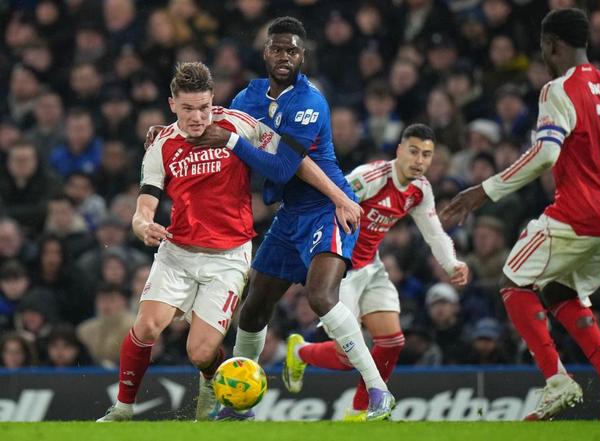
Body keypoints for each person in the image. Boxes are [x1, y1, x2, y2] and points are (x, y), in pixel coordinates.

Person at [97, 61, 360, 422]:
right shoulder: (161, 144)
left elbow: (293, 159)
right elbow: (145, 205)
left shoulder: (238, 125)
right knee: (146, 326)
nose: (197, 117)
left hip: (227, 257)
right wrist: (143, 225)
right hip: (177, 253)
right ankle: (123, 408)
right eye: (188, 108)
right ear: (172, 104)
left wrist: (339, 197)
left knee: (201, 353)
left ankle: (210, 379)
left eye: (203, 107)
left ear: (213, 100)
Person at [441, 8, 600, 421]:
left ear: (552, 45)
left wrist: (484, 190)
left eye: (542, 46)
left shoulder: (557, 89)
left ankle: (558, 381)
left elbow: (546, 153)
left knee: (513, 281)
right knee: (557, 291)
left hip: (578, 214)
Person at [187, 17, 395, 421]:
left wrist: (231, 140)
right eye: (278, 49)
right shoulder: (248, 96)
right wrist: (166, 134)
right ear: (266, 52)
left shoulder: (309, 102)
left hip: (327, 209)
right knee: (253, 309)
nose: (284, 56)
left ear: (303, 56)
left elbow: (283, 168)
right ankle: (239, 406)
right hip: (290, 215)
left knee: (321, 297)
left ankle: (378, 392)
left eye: (292, 50)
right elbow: (208, 126)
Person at [281, 124, 468, 421]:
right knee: (347, 358)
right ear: (399, 150)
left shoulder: (420, 190)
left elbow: (434, 233)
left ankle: (358, 412)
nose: (419, 160)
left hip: (372, 267)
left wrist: (451, 264)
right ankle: (301, 352)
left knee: (392, 342)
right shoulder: (371, 177)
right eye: (414, 151)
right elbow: (328, 202)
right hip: (341, 270)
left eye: (426, 155)